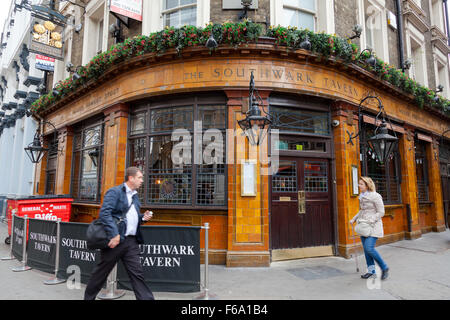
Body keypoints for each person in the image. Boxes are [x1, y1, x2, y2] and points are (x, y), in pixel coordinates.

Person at [84, 167, 155, 300]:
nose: (142, 181)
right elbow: (105, 213)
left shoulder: (135, 196)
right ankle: (88, 298)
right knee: (101, 274)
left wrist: (142, 218)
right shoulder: (115, 192)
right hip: (116, 241)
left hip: (131, 242)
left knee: (137, 274)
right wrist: (114, 234)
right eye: (139, 178)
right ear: (131, 178)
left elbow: (128, 218)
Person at [350, 176, 389, 280]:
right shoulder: (361, 196)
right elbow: (361, 210)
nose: (359, 185)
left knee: (369, 248)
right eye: (359, 183)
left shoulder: (376, 196)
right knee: (366, 250)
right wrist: (353, 219)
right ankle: (371, 271)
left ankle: (384, 267)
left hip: (373, 226)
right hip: (364, 225)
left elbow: (381, 212)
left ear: (367, 185)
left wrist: (371, 220)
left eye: (361, 184)